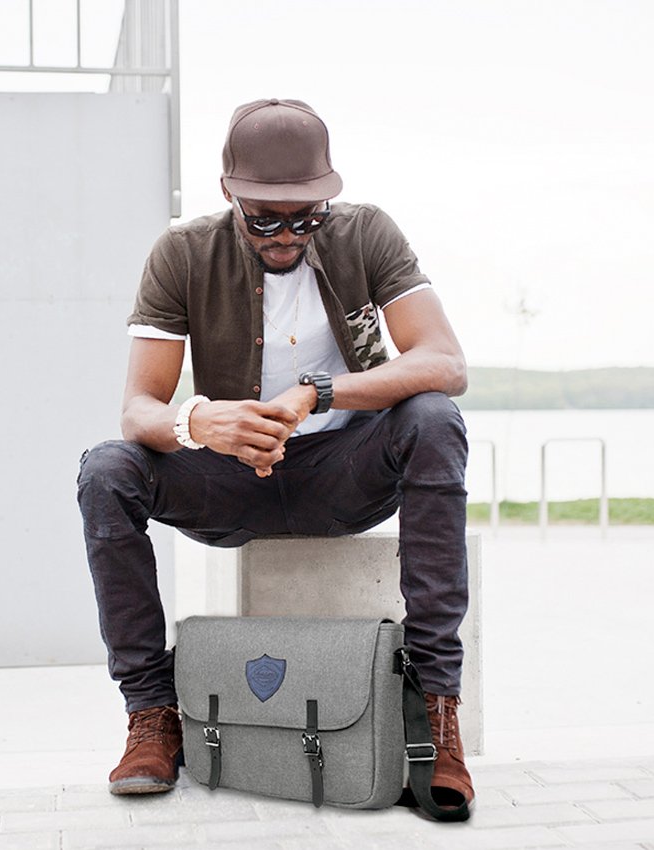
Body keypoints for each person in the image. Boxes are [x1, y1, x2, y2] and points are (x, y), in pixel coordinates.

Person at [76, 98, 474, 812]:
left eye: (307, 217)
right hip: (230, 482)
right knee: (107, 471)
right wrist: (200, 422)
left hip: (343, 474)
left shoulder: (367, 233)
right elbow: (138, 410)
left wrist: (317, 394)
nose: (287, 234)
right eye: (265, 219)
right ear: (228, 192)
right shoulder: (183, 251)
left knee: (434, 418)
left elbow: (445, 362)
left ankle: (436, 713)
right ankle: (152, 715)